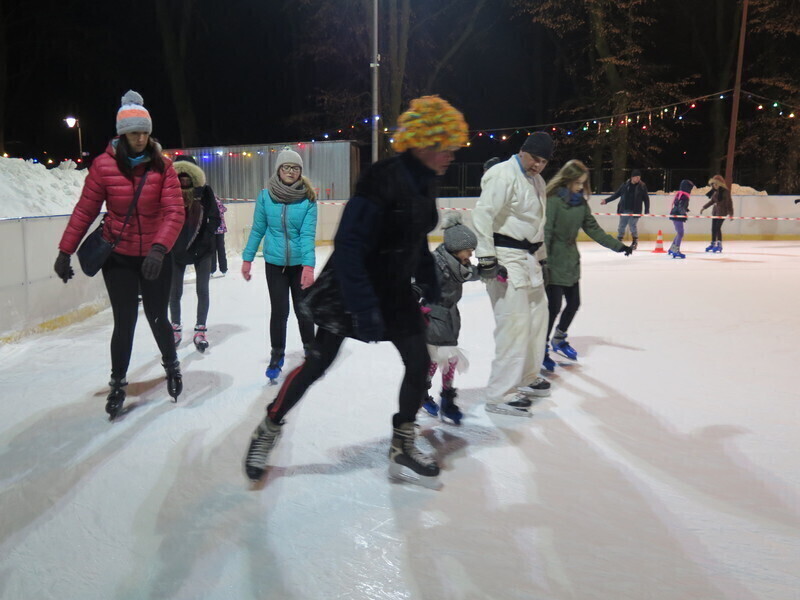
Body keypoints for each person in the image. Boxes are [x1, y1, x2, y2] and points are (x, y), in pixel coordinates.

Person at [243, 95, 468, 488]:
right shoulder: (382, 179)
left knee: (418, 363)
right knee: (317, 364)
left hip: (395, 289)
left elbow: (414, 238)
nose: (449, 154)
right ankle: (268, 427)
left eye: (452, 146)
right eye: (442, 146)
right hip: (351, 286)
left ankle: (402, 443)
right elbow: (348, 247)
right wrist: (362, 309)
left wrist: (428, 278)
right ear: (420, 142)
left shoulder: (426, 182)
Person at [53, 90, 185, 419]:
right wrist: (65, 250)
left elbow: (174, 212)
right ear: (122, 134)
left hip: (155, 256)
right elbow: (85, 209)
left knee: (157, 316)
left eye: (145, 132)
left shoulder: (163, 167)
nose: (140, 138)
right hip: (120, 255)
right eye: (134, 132)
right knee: (123, 321)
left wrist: (159, 248)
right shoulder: (103, 166)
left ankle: (172, 366)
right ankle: (118, 382)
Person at [472, 132, 553, 417]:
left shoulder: (538, 181)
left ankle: (527, 376)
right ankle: (500, 393)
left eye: (543, 161)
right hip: (505, 257)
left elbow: (537, 223)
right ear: (522, 151)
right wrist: (486, 257)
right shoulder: (502, 174)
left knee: (537, 319)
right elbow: (483, 214)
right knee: (514, 324)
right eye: (534, 158)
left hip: (529, 258)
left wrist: (541, 259)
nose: (538, 165)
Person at [542, 160, 632, 371]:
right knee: (553, 308)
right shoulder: (553, 201)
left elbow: (593, 228)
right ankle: (541, 349)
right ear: (567, 180)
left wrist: (618, 246)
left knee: (574, 304)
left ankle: (559, 338)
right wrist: (542, 260)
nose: (581, 186)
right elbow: (546, 232)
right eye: (578, 182)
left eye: (583, 182)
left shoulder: (580, 203)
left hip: (571, 262)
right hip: (553, 262)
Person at [241, 149, 318, 383]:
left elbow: (307, 235)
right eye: (286, 167)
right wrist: (247, 258)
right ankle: (277, 355)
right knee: (280, 311)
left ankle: (310, 350)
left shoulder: (308, 199)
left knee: (303, 310)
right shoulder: (265, 196)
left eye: (295, 168)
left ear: (300, 172)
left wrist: (308, 266)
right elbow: (258, 229)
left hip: (298, 265)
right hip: (274, 264)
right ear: (278, 169)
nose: (290, 172)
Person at [419, 212, 481, 425]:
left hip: (451, 317)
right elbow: (418, 284)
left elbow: (472, 272)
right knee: (442, 358)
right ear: (455, 248)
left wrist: (492, 271)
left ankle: (439, 395)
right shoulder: (436, 263)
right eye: (468, 250)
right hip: (433, 315)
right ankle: (434, 396)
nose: (470, 255)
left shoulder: (459, 265)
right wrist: (418, 306)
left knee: (444, 359)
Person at [169, 156, 221, 352]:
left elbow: (215, 218)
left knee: (202, 290)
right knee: (174, 292)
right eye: (180, 175)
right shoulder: (169, 192)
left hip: (202, 250)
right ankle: (175, 327)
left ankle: (200, 329)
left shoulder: (205, 192)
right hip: (175, 249)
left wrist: (206, 238)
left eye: (187, 175)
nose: (183, 180)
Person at [600, 168, 650, 250]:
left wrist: (647, 209)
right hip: (624, 209)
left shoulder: (642, 186)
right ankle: (619, 240)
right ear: (632, 177)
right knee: (621, 226)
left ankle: (634, 242)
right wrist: (606, 201)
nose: (638, 179)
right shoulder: (625, 185)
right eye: (636, 177)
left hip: (635, 210)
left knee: (632, 226)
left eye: (639, 177)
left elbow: (646, 199)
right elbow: (617, 194)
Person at [700, 174, 734, 253]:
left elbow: (729, 203)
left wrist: (731, 213)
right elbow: (712, 201)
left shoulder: (725, 192)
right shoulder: (715, 192)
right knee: (713, 228)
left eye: (715, 184)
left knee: (718, 228)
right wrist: (704, 207)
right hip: (715, 212)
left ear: (719, 184)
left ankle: (719, 245)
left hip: (722, 213)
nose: (714, 186)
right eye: (713, 184)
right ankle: (713, 244)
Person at [668, 179, 694, 259]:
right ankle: (676, 250)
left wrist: (685, 209)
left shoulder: (680, 194)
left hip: (675, 214)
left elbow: (679, 204)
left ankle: (672, 248)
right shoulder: (685, 196)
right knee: (680, 233)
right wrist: (683, 213)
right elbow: (680, 206)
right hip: (677, 215)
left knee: (679, 232)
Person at [210, 196, 228, 275]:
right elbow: (224, 209)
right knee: (221, 249)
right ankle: (223, 269)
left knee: (212, 250)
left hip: (212, 230)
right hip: (221, 229)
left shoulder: (210, 203)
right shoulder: (219, 203)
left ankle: (212, 269)